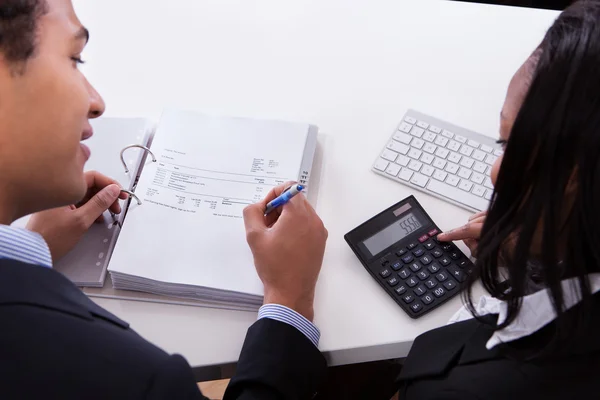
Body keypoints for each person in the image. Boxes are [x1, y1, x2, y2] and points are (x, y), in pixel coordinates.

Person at [0, 0, 328, 399]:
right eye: (74, 59)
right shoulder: (132, 378)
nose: (96, 101)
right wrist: (291, 302)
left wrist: (36, 249)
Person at [393, 0, 600, 398]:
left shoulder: (469, 390)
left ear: (577, 179)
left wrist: (288, 305)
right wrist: (546, 251)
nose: (495, 171)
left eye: (511, 146)